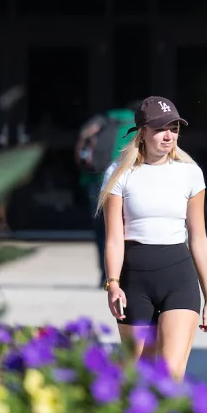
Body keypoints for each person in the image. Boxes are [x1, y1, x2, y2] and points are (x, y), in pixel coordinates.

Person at [99, 96, 207, 380]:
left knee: (170, 376)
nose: (169, 135)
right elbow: (114, 238)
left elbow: (198, 238)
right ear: (142, 131)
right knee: (136, 376)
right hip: (134, 279)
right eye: (161, 129)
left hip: (178, 276)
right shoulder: (119, 174)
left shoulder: (190, 173)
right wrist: (112, 283)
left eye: (174, 128)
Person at [77, 102, 136, 287]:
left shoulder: (99, 122)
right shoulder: (135, 125)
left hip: (95, 182)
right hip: (123, 185)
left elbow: (83, 154)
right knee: (124, 230)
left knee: (102, 232)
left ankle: (105, 275)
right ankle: (124, 274)